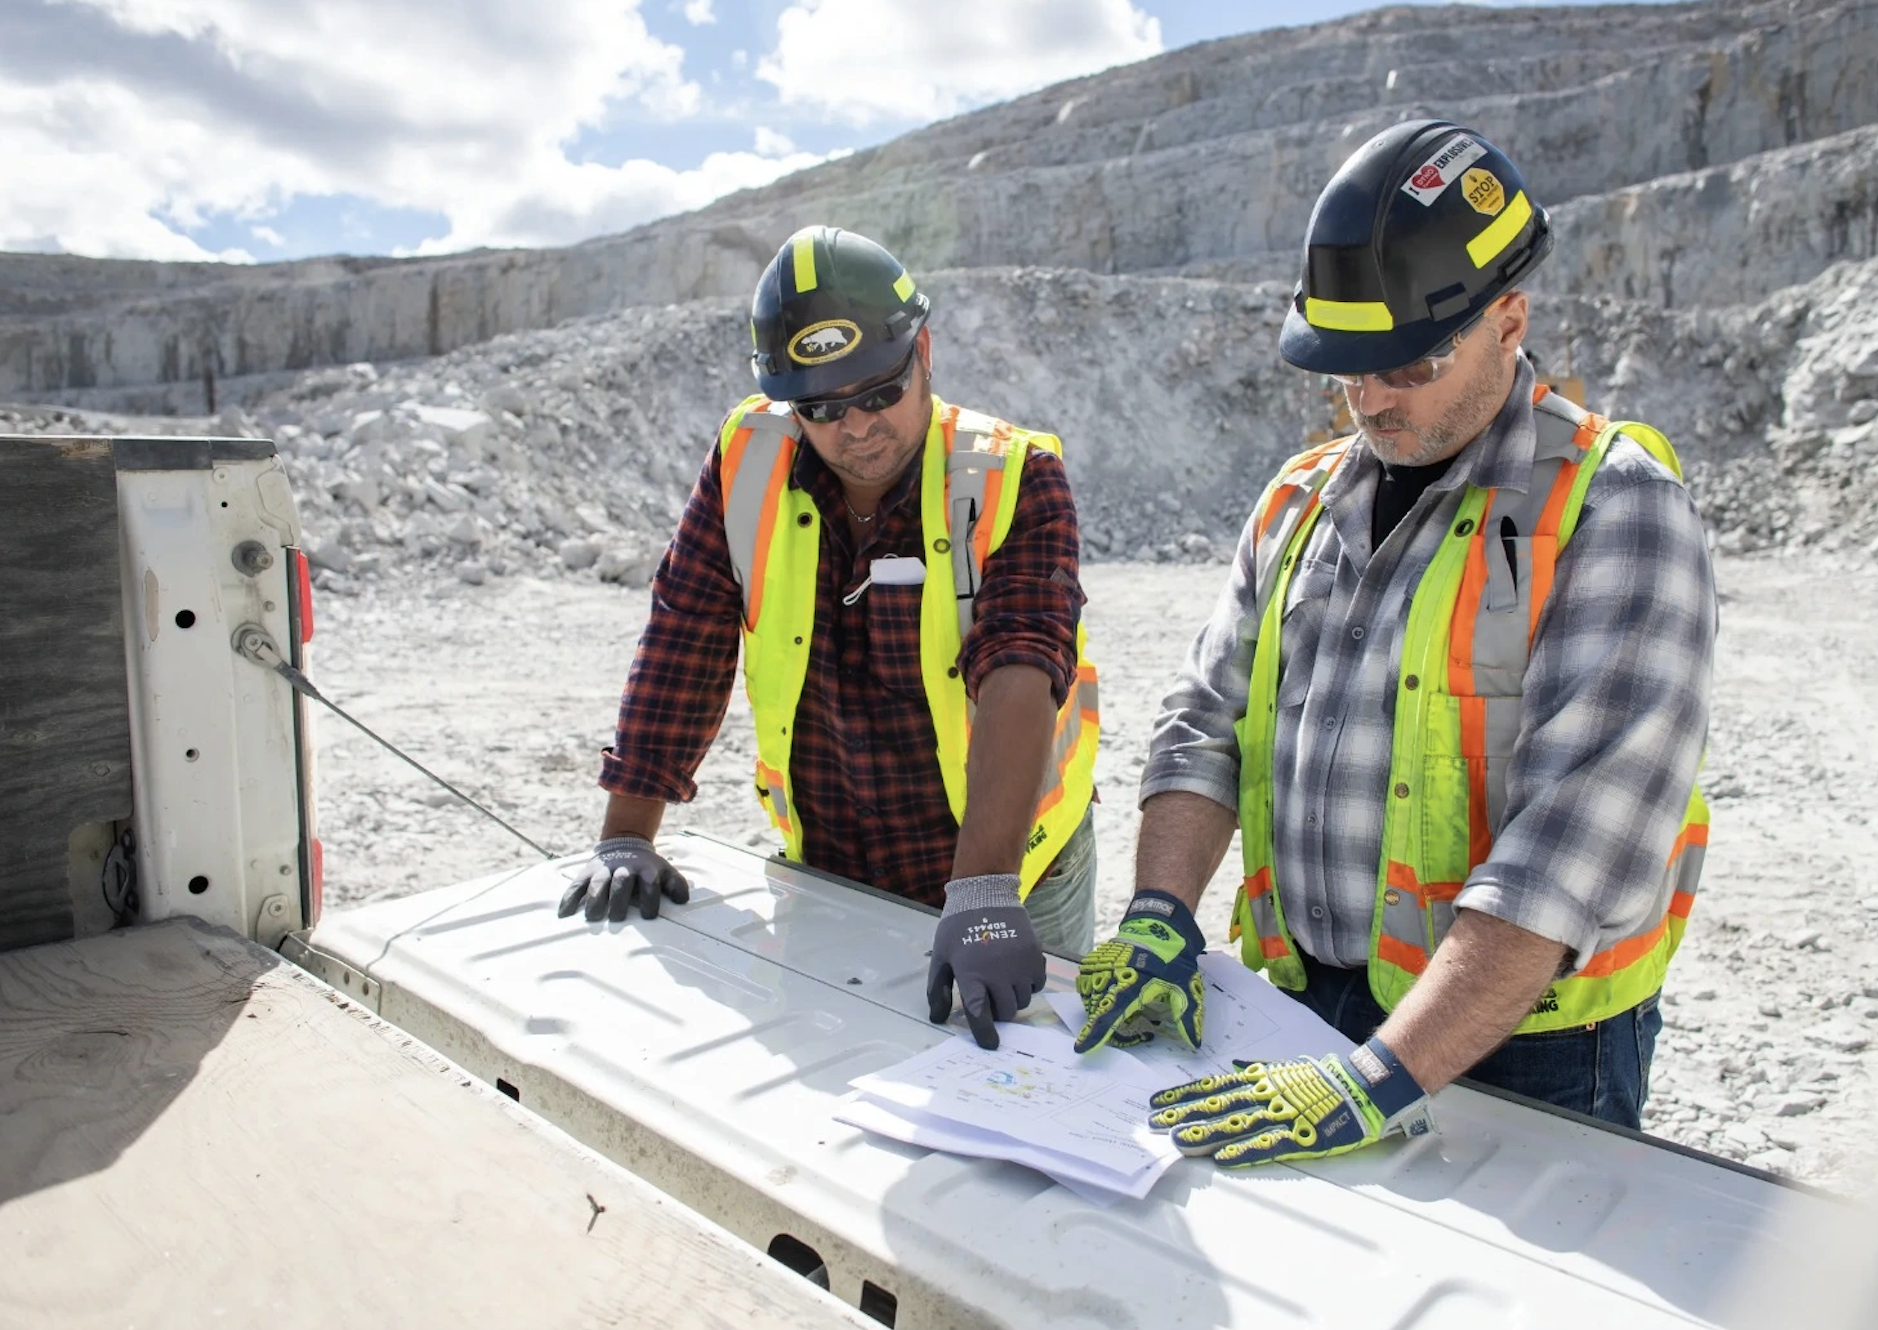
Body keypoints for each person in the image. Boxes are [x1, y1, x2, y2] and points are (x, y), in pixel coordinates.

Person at [1072, 120, 1715, 1165]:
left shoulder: (1614, 508)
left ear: (1509, 321)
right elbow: (1205, 722)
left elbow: (1573, 845)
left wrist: (1381, 1075)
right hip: (1299, 1005)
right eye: (1345, 369)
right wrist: (1158, 913)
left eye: (1408, 363)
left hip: (1526, 1043)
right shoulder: (1297, 500)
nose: (1369, 399)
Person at [560, 226, 1100, 1050]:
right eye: (819, 408)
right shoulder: (748, 461)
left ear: (924, 354)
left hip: (1014, 872)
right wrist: (628, 832)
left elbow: (1021, 664)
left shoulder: (1013, 475)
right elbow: (686, 626)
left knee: (1019, 1088)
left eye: (879, 393)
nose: (855, 428)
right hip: (830, 865)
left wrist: (985, 893)